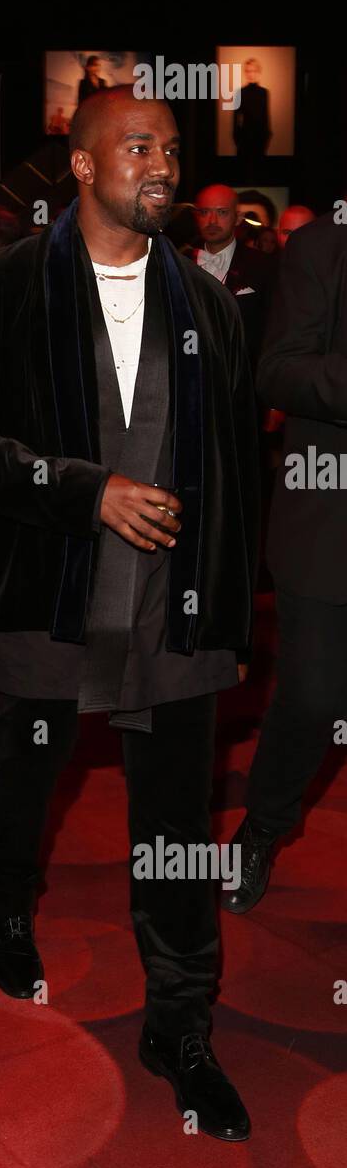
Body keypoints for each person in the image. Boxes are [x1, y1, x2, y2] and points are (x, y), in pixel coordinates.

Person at [0, 86, 259, 1141]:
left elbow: (235, 466)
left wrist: (232, 603)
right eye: (139, 146)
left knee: (178, 832)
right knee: (26, 784)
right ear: (78, 164)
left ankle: (179, 1024)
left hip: (174, 615)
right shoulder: (3, 288)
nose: (162, 164)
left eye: (170, 147)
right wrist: (82, 488)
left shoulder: (209, 305)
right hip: (48, 601)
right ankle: (11, 910)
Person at [225, 209, 347, 914]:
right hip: (329, 524)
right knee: (316, 696)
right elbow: (278, 372)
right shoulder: (322, 247)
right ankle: (264, 827)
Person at [192, 183, 276, 376]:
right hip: (190, 384)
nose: (212, 221)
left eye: (221, 212)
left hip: (245, 383)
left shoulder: (264, 266)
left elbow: (273, 332)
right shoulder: (178, 264)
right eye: (205, 212)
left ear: (237, 218)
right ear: (197, 216)